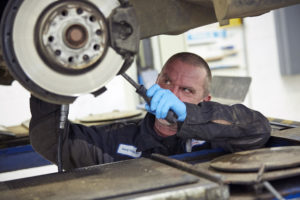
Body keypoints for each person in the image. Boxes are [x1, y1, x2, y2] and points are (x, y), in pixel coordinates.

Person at [29, 52, 271, 170]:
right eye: (166, 82)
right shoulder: (116, 140)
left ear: (205, 100)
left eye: (187, 90)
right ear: (155, 83)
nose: (173, 95)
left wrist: (189, 115)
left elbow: (258, 129)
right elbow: (52, 142)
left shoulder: (217, 140)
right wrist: (53, 78)